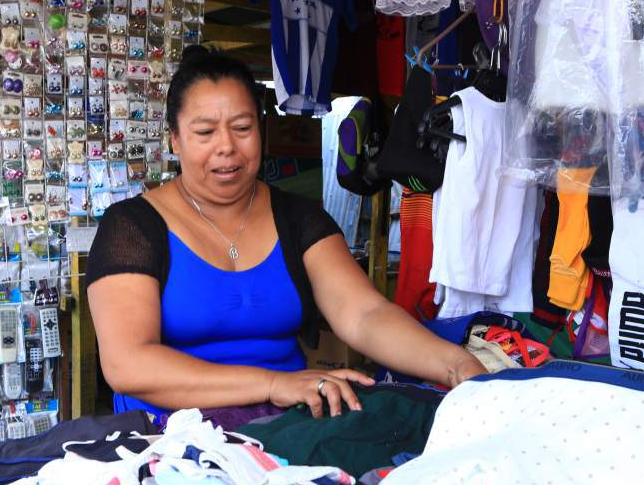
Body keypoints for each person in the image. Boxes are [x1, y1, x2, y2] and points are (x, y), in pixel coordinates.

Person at [86, 47, 486, 431]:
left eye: (242, 128)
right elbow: (127, 364)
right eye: (204, 131)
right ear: (175, 139)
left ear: (262, 129)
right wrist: (272, 385)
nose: (226, 147)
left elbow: (365, 315)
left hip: (289, 424)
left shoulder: (298, 219)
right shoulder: (133, 227)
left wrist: (454, 364)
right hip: (170, 433)